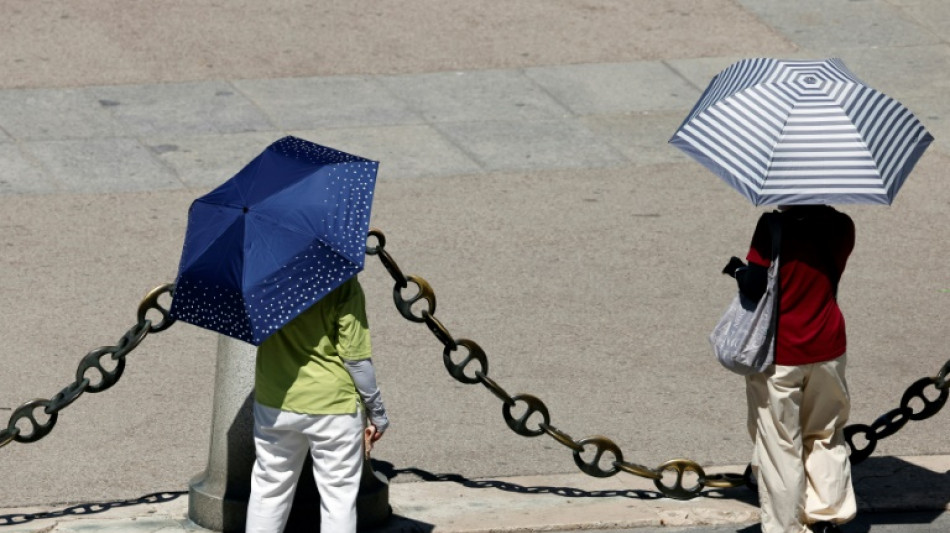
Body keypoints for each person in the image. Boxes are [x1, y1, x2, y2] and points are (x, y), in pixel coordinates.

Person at [723, 205, 856, 533]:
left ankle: (788, 526)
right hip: (829, 346)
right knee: (825, 433)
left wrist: (737, 271)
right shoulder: (842, 225)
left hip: (781, 352)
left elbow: (755, 284)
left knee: (781, 443)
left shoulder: (772, 226)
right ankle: (827, 515)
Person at [245, 276, 390, 533]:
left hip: (275, 400)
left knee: (269, 488)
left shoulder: (263, 276)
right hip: (334, 405)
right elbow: (356, 361)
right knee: (338, 497)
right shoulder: (341, 280)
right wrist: (377, 411)